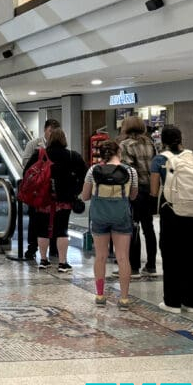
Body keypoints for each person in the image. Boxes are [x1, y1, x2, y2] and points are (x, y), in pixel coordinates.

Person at [150, 125, 193, 314]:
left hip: (172, 211)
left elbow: (153, 191)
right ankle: (191, 302)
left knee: (171, 256)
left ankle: (172, 302)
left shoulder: (160, 159)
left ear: (162, 140)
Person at [81, 139, 138, 308]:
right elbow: (133, 196)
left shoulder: (93, 170)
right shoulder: (131, 171)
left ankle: (100, 295)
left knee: (100, 256)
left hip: (99, 217)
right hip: (121, 217)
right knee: (122, 257)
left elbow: (84, 196)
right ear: (119, 152)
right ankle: (124, 298)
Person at [24, 129, 86, 272]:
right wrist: (75, 191)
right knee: (62, 230)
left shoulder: (40, 154)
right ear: (64, 139)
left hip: (43, 199)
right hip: (65, 200)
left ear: (50, 139)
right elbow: (84, 175)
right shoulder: (72, 156)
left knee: (43, 230)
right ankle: (63, 263)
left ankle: (44, 260)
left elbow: (27, 173)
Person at [119, 116, 157, 278]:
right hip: (151, 190)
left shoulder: (125, 145)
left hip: (135, 190)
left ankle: (134, 267)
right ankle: (151, 265)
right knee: (149, 227)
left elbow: (127, 170)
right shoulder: (151, 143)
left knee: (133, 226)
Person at [21, 118, 61, 261]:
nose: (52, 134)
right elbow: (25, 163)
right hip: (37, 191)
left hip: (53, 192)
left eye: (55, 132)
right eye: (50, 131)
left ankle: (54, 249)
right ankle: (32, 248)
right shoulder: (35, 145)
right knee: (35, 220)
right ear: (45, 130)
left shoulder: (60, 148)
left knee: (55, 220)